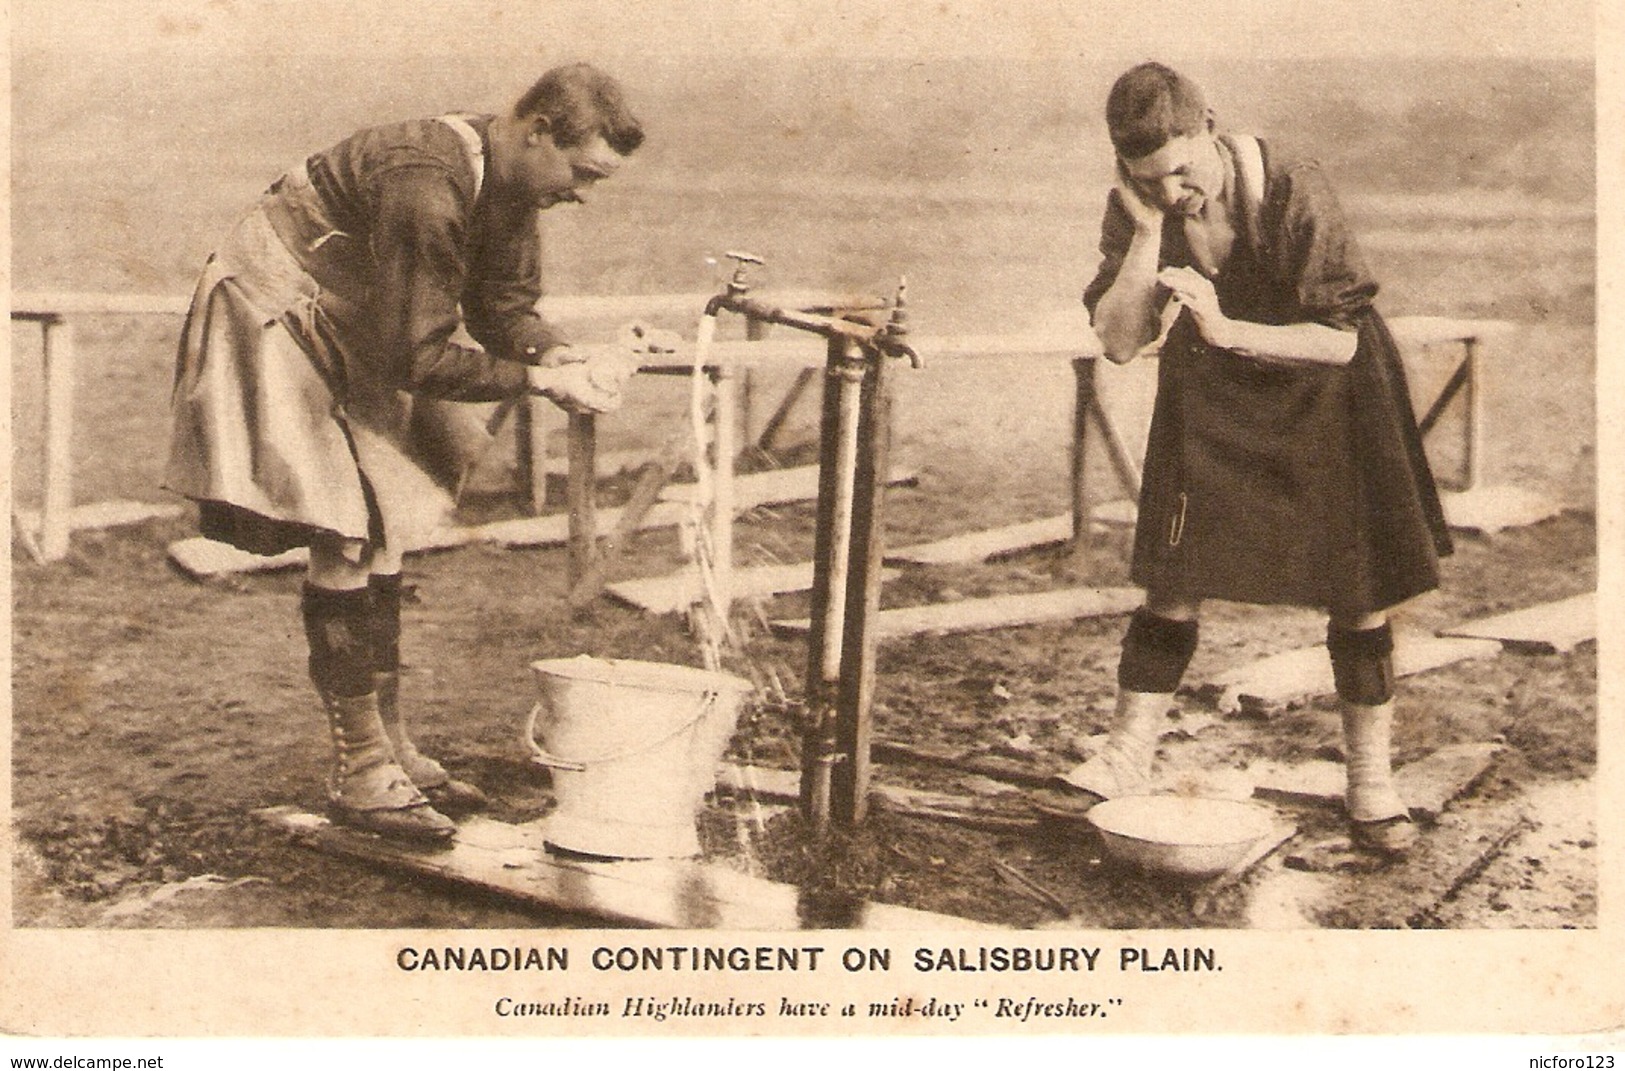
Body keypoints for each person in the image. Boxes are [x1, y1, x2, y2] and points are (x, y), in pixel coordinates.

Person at [166, 64, 646, 843]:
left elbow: (502, 306)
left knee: (384, 520)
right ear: (537, 131)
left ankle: (391, 747)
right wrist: (537, 381)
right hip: (276, 296)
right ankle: (360, 770)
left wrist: (559, 354)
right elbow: (414, 358)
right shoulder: (426, 183)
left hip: (359, 313)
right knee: (345, 525)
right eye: (582, 172)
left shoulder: (514, 179)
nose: (581, 192)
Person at [1056, 62, 1453, 855]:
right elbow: (1121, 342)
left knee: (1356, 593)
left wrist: (1229, 329)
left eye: (1183, 170)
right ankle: (1126, 754)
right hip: (1215, 390)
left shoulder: (1289, 184)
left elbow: (1338, 339)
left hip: (1328, 387)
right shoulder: (1140, 208)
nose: (1172, 192)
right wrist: (1142, 238)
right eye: (1147, 179)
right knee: (1172, 577)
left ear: (1211, 125)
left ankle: (1371, 781)